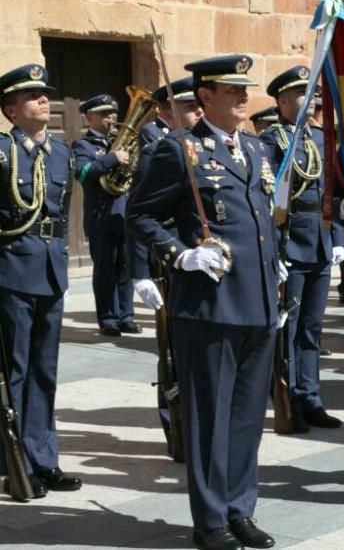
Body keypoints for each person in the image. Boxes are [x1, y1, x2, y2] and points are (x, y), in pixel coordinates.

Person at [128, 55, 284, 550]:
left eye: (244, 89)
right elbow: (140, 215)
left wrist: (274, 265)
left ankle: (241, 510)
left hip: (257, 301)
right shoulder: (180, 151)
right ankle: (211, 521)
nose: (243, 96)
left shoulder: (257, 149)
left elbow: (259, 217)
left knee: (246, 416)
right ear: (205, 97)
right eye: (231, 89)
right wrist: (181, 255)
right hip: (210, 302)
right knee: (210, 417)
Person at [0, 64, 83, 499]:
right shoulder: (1, 151)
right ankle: (13, 460)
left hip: (51, 268)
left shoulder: (61, 152)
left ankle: (43, 458)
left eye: (45, 94)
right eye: (33, 96)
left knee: (44, 371)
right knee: (15, 370)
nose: (44, 100)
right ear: (11, 109)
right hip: (13, 266)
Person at [260, 66, 344, 434]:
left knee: (312, 329)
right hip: (290, 242)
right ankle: (290, 399)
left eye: (310, 93)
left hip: (321, 244)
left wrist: (338, 238)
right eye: (300, 94)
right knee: (288, 330)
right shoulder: (272, 141)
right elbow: (266, 199)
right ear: (281, 102)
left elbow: (330, 194)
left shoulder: (324, 139)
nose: (309, 100)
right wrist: (272, 252)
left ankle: (311, 397)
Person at [130, 79, 204, 461]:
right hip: (169, 264)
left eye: (198, 104)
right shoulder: (161, 150)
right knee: (172, 352)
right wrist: (139, 273)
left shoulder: (209, 149)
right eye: (189, 106)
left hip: (202, 263)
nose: (198, 112)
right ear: (167, 110)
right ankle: (174, 426)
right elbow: (140, 214)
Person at [71, 94, 139, 337]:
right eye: (103, 113)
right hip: (100, 217)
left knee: (126, 268)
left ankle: (126, 316)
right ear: (89, 117)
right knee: (105, 271)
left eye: (112, 113)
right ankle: (108, 318)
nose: (110, 118)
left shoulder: (120, 142)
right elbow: (82, 173)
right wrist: (112, 158)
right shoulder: (83, 145)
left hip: (123, 215)